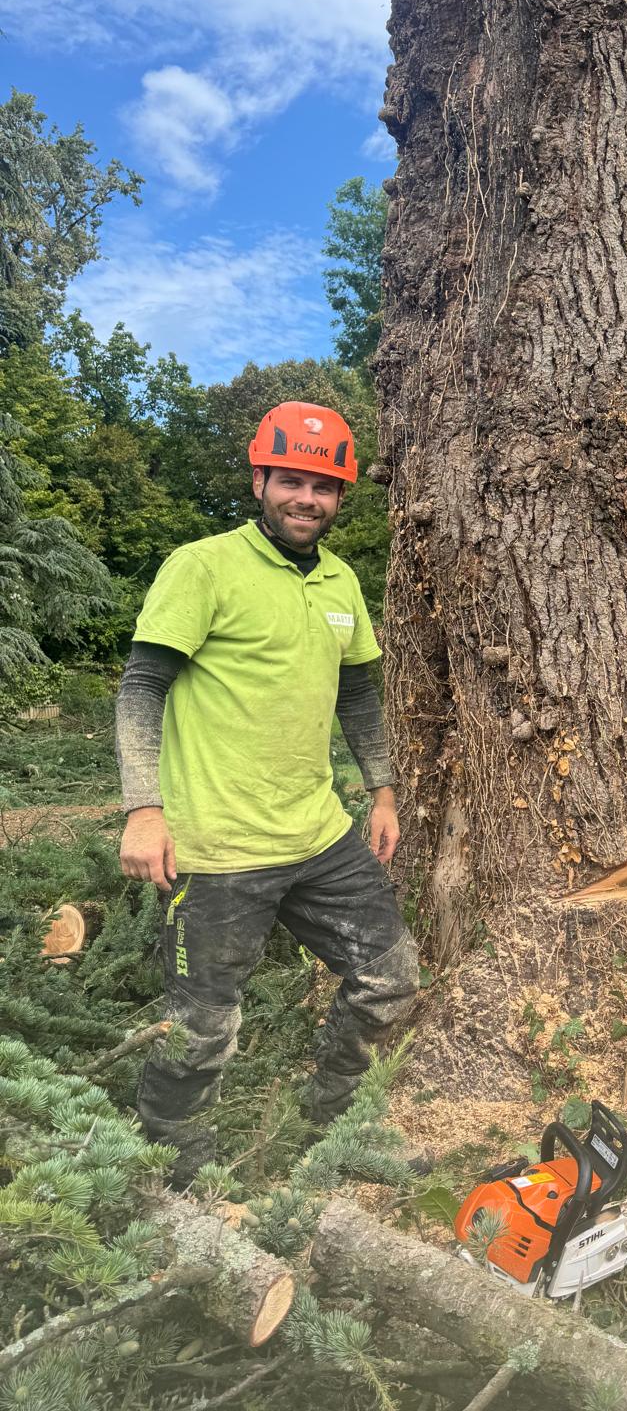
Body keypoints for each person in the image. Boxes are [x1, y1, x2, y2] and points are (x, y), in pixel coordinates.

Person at [116, 401, 418, 1183]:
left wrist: (381, 793)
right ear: (260, 479)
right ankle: (171, 1165)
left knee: (390, 977)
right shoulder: (203, 566)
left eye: (323, 487)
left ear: (340, 496)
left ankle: (332, 1110)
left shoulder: (344, 580)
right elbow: (142, 688)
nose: (305, 500)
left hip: (318, 836)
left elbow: (358, 697)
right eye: (291, 481)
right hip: (214, 851)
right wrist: (143, 810)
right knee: (202, 1030)